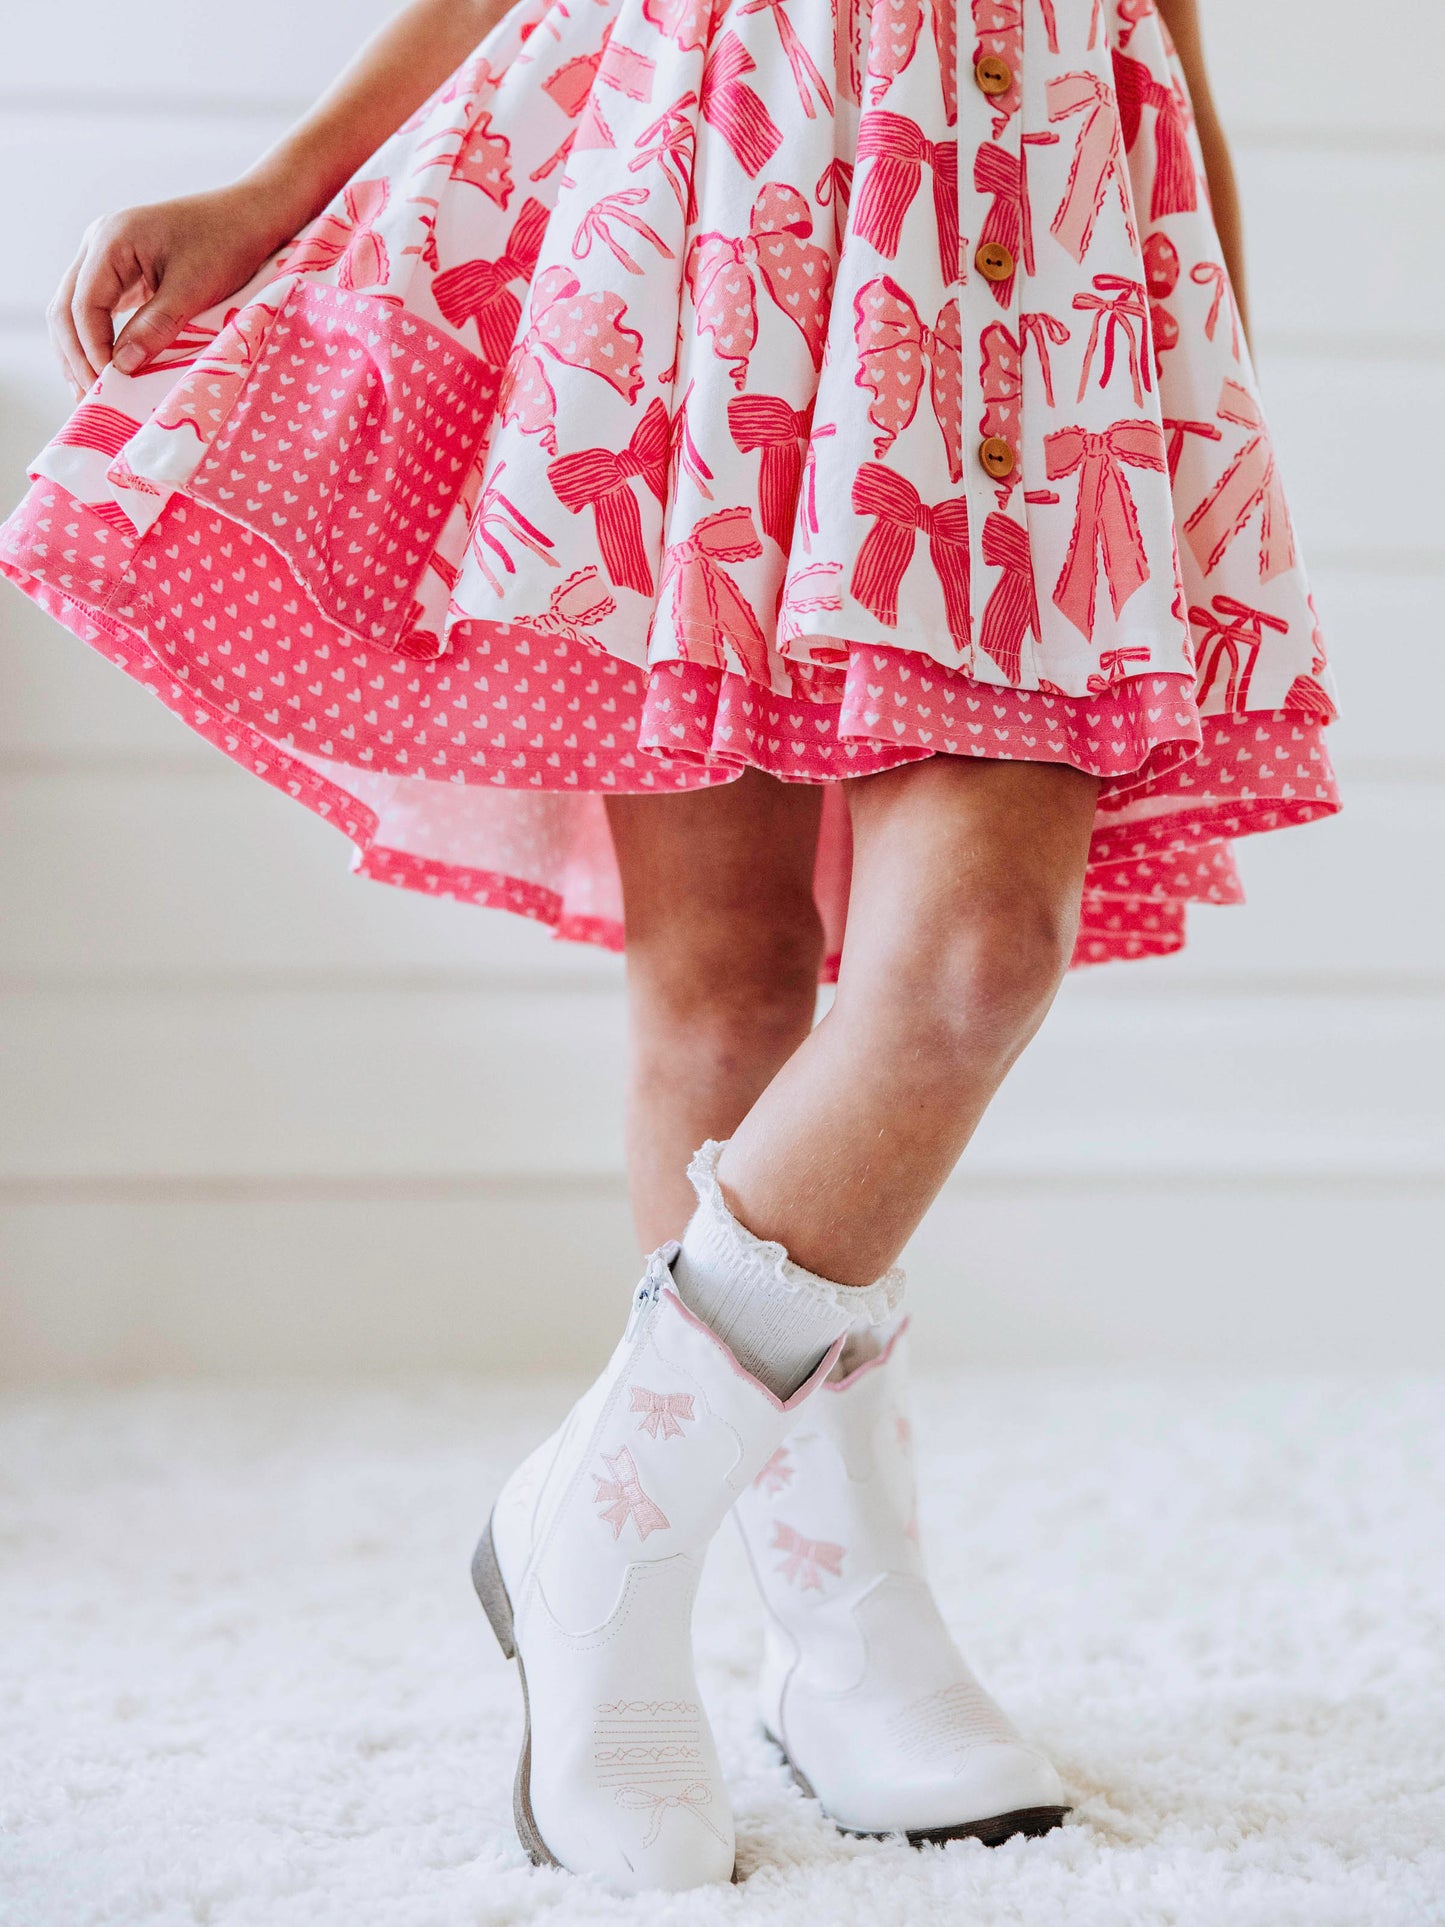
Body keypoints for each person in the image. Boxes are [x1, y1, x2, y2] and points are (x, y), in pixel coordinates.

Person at [4, 0, 1340, 1893]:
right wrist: (279, 187)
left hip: (1030, 252)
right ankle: (843, 1625)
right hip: (706, 204)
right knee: (721, 972)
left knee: (974, 959)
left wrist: (1199, 361)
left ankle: (595, 1522)